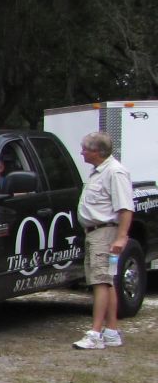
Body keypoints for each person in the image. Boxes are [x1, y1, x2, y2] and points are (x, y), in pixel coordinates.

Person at [72, 131, 135, 350]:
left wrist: (121, 237)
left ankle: (95, 333)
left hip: (105, 233)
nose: (82, 152)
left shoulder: (114, 172)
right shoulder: (99, 171)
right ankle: (111, 331)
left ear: (97, 151)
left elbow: (126, 208)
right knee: (107, 282)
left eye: (85, 149)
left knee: (100, 281)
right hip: (95, 232)